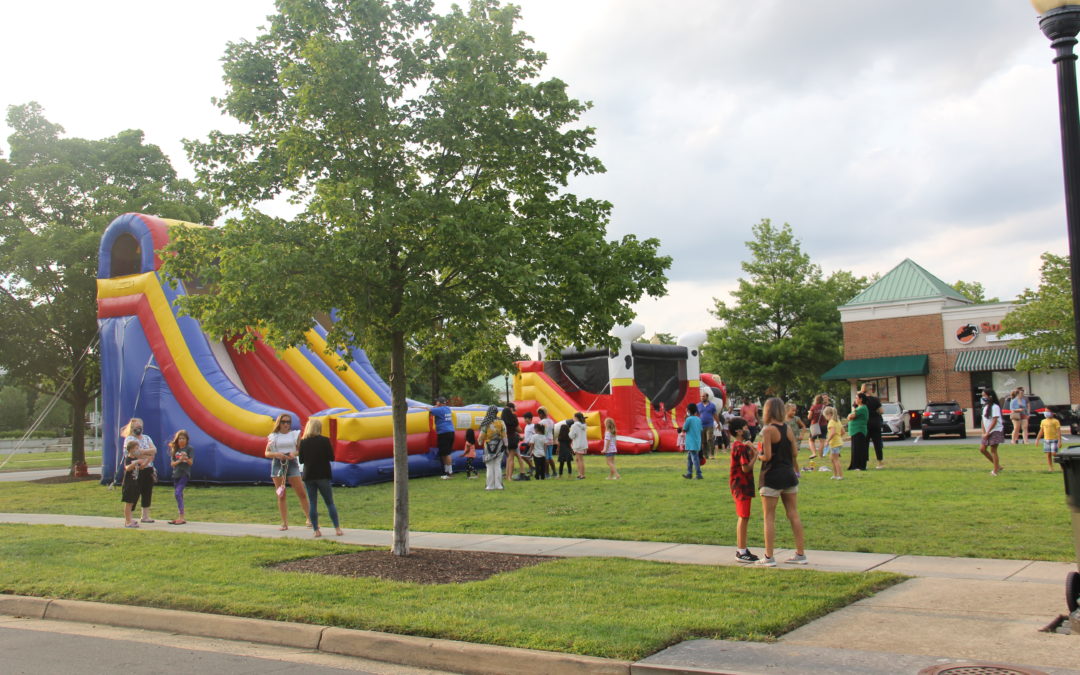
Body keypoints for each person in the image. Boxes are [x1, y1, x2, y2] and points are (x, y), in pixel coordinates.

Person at [756, 397, 807, 567]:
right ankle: (800, 553)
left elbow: (767, 456)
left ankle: (769, 556)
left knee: (769, 517)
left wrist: (757, 454)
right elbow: (794, 452)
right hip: (788, 474)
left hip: (771, 476)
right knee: (793, 513)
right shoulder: (787, 428)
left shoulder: (768, 430)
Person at [297, 418, 342, 537]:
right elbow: (331, 457)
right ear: (319, 428)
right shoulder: (325, 441)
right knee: (329, 502)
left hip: (309, 475)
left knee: (312, 503)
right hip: (323, 474)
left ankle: (316, 530)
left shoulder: (303, 442)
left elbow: (301, 460)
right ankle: (337, 528)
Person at [265, 413, 311, 531]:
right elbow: (267, 453)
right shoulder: (273, 436)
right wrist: (277, 454)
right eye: (283, 422)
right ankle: (284, 523)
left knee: (301, 492)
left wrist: (293, 454)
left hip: (291, 463)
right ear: (279, 423)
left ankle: (309, 519)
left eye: (288, 422)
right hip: (278, 463)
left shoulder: (294, 434)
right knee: (281, 494)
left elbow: (300, 450)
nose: (286, 424)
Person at [728, 418, 759, 563]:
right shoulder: (740, 447)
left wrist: (752, 449)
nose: (748, 430)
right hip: (742, 485)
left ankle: (743, 548)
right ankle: (741, 551)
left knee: (744, 516)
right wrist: (756, 456)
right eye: (746, 427)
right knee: (743, 516)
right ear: (739, 430)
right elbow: (746, 468)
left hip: (740, 485)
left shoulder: (738, 445)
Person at [121, 417, 157, 523]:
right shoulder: (129, 439)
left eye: (140, 427)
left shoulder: (146, 438)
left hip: (148, 468)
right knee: (134, 493)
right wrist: (146, 453)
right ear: (132, 428)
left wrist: (143, 453)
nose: (138, 429)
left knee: (147, 491)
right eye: (136, 427)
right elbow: (132, 453)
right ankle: (129, 518)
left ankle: (145, 516)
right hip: (136, 470)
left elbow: (154, 450)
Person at [167, 430, 193, 525]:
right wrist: (180, 460)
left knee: (177, 493)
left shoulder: (189, 449)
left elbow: (191, 463)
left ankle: (181, 516)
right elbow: (172, 464)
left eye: (183, 438)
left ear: (187, 440)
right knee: (179, 495)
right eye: (180, 438)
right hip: (176, 474)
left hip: (184, 473)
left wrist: (185, 458)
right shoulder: (175, 449)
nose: (181, 440)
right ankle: (181, 517)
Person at [478, 405, 507, 490]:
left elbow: (482, 435)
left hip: (488, 447)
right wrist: (506, 445)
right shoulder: (501, 422)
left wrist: (479, 442)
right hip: (499, 446)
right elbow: (504, 435)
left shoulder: (486, 422)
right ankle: (499, 485)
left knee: (489, 466)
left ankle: (490, 486)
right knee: (497, 465)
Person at [120, 439, 147, 528]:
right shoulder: (128, 458)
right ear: (131, 449)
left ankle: (130, 519)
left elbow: (141, 467)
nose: (138, 449)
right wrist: (135, 462)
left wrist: (146, 460)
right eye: (136, 448)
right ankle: (127, 521)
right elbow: (127, 468)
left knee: (132, 502)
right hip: (129, 483)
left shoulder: (136, 458)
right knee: (128, 502)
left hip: (135, 482)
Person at [978, 388, 1004, 476]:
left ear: (990, 396)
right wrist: (983, 432)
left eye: (984, 395)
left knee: (993, 450)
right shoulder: (985, 407)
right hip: (987, 432)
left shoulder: (995, 407)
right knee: (982, 449)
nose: (982, 397)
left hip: (996, 430)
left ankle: (995, 470)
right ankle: (998, 466)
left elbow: (994, 420)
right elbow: (983, 420)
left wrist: (988, 431)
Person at [859, 383, 885, 469]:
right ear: (870, 390)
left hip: (865, 424)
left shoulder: (860, 399)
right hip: (875, 423)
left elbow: (855, 410)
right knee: (877, 443)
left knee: (865, 444)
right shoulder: (875, 399)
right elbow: (881, 411)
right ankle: (880, 463)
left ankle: (865, 463)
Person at [430, 395, 456, 479]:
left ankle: (449, 473)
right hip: (450, 431)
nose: (436, 403)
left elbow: (429, 410)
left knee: (446, 453)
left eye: (437, 401)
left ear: (439, 403)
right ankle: (447, 471)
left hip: (444, 433)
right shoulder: (447, 408)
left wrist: (435, 406)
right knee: (444, 453)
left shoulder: (439, 409)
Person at [847, 393, 869, 471]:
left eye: (856, 398)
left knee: (858, 449)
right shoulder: (858, 408)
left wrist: (851, 414)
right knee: (855, 449)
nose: (855, 400)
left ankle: (860, 465)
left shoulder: (862, 408)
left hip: (859, 431)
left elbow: (851, 416)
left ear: (861, 399)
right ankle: (854, 465)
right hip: (855, 431)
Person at [681, 403, 703, 479]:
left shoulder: (688, 419)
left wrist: (685, 419)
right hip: (697, 441)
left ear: (689, 410)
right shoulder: (698, 419)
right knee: (690, 458)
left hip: (691, 442)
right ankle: (689, 473)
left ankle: (699, 474)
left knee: (694, 458)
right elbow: (700, 429)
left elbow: (684, 429)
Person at [784, 403, 807, 472]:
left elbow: (803, 427)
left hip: (796, 440)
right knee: (788, 457)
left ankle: (797, 473)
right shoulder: (782, 420)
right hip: (787, 440)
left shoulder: (796, 419)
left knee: (793, 457)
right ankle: (790, 471)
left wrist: (802, 435)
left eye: (795, 411)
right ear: (786, 411)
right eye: (792, 411)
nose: (794, 412)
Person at [823, 406, 844, 480]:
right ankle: (835, 475)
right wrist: (838, 437)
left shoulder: (831, 422)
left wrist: (827, 441)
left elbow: (832, 433)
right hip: (839, 442)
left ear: (828, 414)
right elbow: (843, 432)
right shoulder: (837, 421)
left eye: (825, 416)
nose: (826, 418)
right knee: (832, 459)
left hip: (834, 443)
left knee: (835, 460)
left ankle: (840, 476)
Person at [501, 403, 521, 481]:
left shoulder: (502, 420)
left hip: (505, 439)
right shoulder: (513, 418)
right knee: (511, 458)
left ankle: (506, 476)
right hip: (512, 438)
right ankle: (509, 476)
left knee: (508, 458)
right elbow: (519, 430)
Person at [537, 407, 557, 478]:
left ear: (541, 414)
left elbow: (540, 433)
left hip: (544, 442)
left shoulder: (541, 422)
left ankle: (547, 473)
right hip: (550, 441)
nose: (538, 416)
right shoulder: (551, 421)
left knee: (546, 458)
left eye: (539, 414)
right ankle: (554, 472)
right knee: (550, 457)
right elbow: (553, 431)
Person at [699, 390, 719, 458]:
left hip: (709, 425)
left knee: (709, 439)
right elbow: (696, 415)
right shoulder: (698, 405)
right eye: (701, 396)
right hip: (701, 426)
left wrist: (718, 423)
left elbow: (715, 415)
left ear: (707, 397)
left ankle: (711, 454)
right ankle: (705, 455)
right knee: (703, 441)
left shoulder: (712, 405)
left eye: (703, 396)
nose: (702, 398)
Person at [569, 411, 589, 479]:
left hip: (578, 444)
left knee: (579, 459)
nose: (573, 418)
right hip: (583, 444)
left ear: (576, 418)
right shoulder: (583, 425)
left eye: (574, 417)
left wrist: (569, 432)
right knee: (578, 459)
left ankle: (582, 475)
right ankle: (580, 473)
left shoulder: (574, 426)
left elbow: (571, 436)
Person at [807, 394, 826, 460]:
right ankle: (821, 456)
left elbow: (809, 417)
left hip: (815, 425)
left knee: (811, 440)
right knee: (822, 441)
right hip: (824, 425)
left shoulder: (813, 407)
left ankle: (814, 453)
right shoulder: (824, 407)